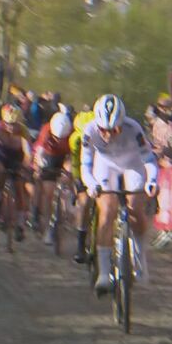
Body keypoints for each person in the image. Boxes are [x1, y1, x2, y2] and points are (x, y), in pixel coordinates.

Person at [81, 94, 159, 293]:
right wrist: (91, 184)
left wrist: (151, 181)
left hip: (133, 164)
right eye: (103, 130)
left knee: (135, 209)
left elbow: (149, 160)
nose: (108, 134)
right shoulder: (89, 131)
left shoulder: (134, 129)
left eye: (114, 129)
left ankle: (139, 257)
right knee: (107, 212)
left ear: (122, 123)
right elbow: (86, 164)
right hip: (105, 165)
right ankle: (104, 273)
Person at [0, 103, 33, 242]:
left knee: (19, 188)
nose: (11, 127)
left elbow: (28, 153)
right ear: (3, 121)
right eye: (8, 124)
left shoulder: (23, 130)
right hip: (1, 155)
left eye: (14, 124)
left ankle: (20, 225)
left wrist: (24, 166)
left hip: (17, 157)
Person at [31, 112, 72, 237]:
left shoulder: (71, 133)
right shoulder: (46, 131)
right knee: (47, 191)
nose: (58, 140)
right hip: (47, 155)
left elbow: (72, 157)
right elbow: (39, 154)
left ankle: (65, 212)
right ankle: (45, 220)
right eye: (56, 137)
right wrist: (39, 168)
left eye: (61, 138)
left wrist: (69, 173)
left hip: (64, 156)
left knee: (69, 177)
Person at [70, 108, 95, 264]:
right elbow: (74, 164)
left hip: (101, 169)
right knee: (84, 202)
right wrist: (77, 180)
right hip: (82, 170)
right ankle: (80, 245)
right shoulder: (76, 140)